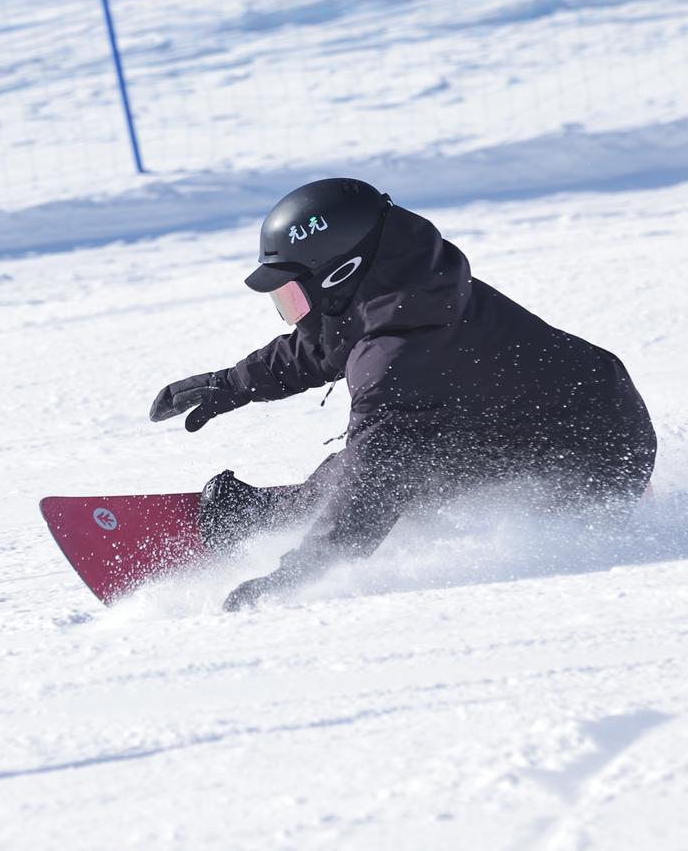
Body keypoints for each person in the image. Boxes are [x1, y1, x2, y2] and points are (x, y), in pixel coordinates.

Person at [150, 177, 656, 611]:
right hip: (557, 414)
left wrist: (297, 574)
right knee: (390, 453)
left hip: (593, 456)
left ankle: (274, 515)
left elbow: (374, 483)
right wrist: (232, 383)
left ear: (339, 271)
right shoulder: (394, 283)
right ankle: (287, 509)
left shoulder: (398, 357)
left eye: (293, 292)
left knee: (385, 466)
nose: (291, 308)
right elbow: (326, 343)